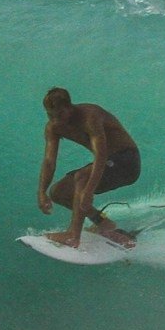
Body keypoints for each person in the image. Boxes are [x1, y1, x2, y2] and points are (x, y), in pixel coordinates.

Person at [37, 87, 140, 248]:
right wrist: (42, 192)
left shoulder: (90, 116)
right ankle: (103, 222)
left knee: (82, 178)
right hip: (108, 163)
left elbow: (101, 155)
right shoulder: (53, 127)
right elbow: (49, 161)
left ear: (70, 107)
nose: (55, 119)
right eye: (50, 115)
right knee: (58, 192)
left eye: (60, 114)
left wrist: (89, 191)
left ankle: (73, 236)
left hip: (127, 161)